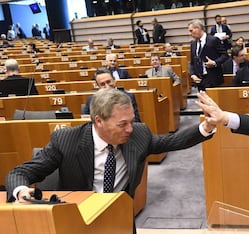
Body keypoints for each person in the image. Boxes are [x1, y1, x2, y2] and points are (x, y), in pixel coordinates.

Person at [6, 87, 215, 233]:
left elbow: (173, 141)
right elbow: (19, 173)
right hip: (78, 221)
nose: (130, 129)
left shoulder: (139, 135)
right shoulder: (66, 140)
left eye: (132, 121)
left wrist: (206, 127)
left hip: (119, 219)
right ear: (99, 121)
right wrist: (21, 191)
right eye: (122, 124)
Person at [188, 19, 228, 90]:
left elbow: (225, 55)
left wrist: (214, 62)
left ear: (198, 28)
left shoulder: (213, 40)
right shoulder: (193, 44)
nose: (190, 33)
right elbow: (192, 62)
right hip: (200, 80)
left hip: (213, 79)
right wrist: (193, 75)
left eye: (191, 31)